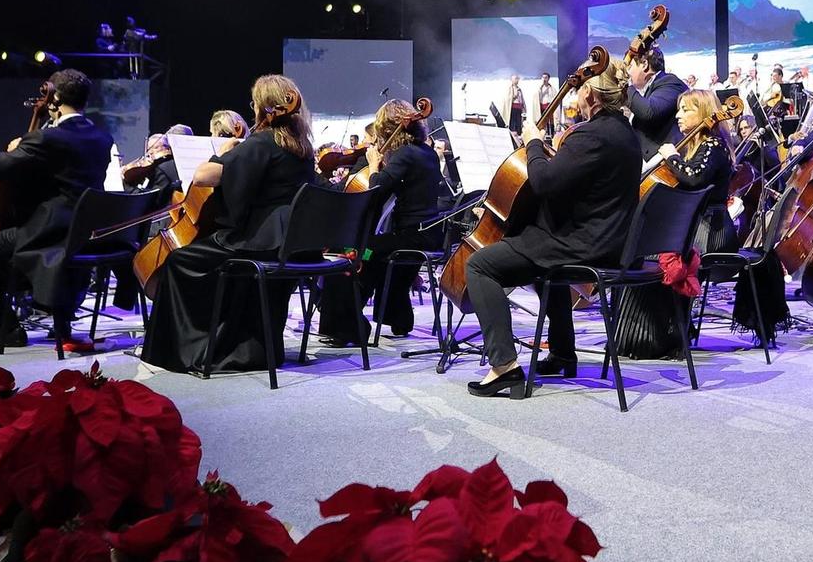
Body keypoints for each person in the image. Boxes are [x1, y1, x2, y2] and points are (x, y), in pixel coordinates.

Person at [461, 67, 640, 397]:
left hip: (582, 244)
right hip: (609, 241)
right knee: (541, 268)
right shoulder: (625, 133)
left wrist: (533, 144)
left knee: (480, 265)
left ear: (591, 94)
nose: (574, 93)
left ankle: (504, 366)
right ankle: (561, 353)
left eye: (579, 88)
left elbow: (543, 183)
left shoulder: (591, 136)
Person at [140, 75, 318, 372]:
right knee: (209, 256)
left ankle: (195, 349)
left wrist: (221, 153)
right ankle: (241, 341)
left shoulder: (263, 141)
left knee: (180, 261)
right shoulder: (302, 147)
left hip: (260, 244)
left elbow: (203, 176)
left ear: (263, 107)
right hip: (292, 243)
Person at [0, 69, 114, 347]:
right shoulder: (101, 138)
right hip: (84, 232)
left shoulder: (47, 138)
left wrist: (15, 146)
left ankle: (6, 331)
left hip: (48, 232)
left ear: (54, 97)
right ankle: (52, 307)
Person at [613, 90, 736, 358]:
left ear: (703, 113)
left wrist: (671, 156)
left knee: (653, 255)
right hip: (700, 227)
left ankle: (655, 337)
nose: (678, 116)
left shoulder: (713, 146)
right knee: (654, 252)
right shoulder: (700, 146)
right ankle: (655, 334)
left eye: (685, 110)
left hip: (711, 231)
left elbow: (693, 179)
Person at [317, 99, 446, 342]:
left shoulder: (405, 154)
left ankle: (347, 324)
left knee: (355, 252)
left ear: (387, 129)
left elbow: (375, 192)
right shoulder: (426, 152)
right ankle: (396, 316)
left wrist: (375, 165)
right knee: (371, 250)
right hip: (425, 233)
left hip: (408, 237)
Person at [625, 46, 686, 159]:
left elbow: (649, 112)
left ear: (644, 64)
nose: (627, 72)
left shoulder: (670, 82)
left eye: (630, 66)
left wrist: (625, 85)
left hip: (662, 160)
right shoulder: (645, 89)